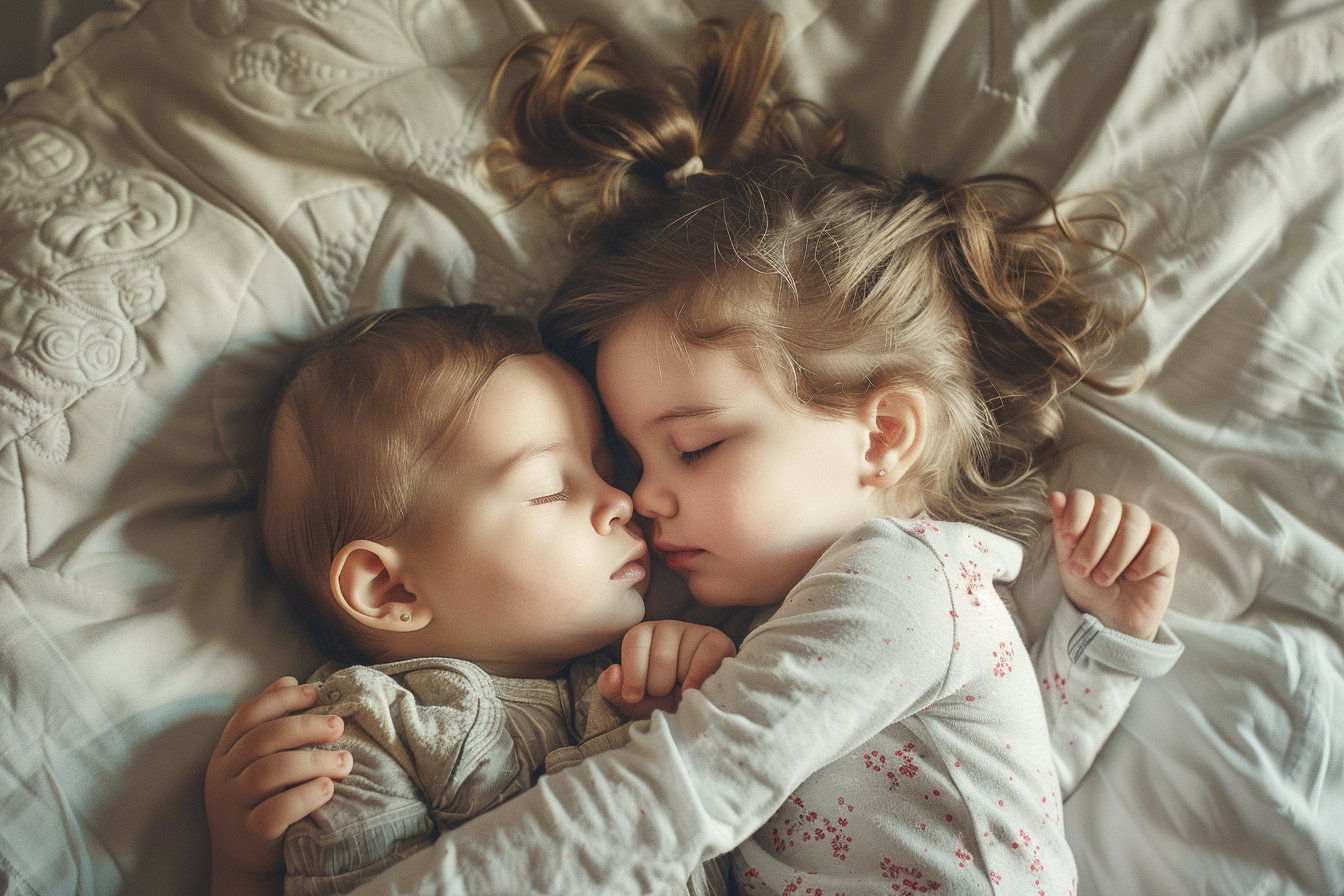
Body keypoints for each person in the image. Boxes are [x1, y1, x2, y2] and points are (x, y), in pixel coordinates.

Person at [207, 14, 1185, 895]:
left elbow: (681, 796)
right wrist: (1098, 650)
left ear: (881, 434)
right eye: (632, 459)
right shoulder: (772, 621)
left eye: (696, 447)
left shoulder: (903, 578)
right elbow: (1001, 799)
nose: (643, 500)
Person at [204, 304, 736, 896]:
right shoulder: (374, 735)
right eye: (550, 489)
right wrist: (243, 872)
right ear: (390, 589)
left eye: (607, 466)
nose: (620, 499)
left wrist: (683, 709)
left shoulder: (624, 674)